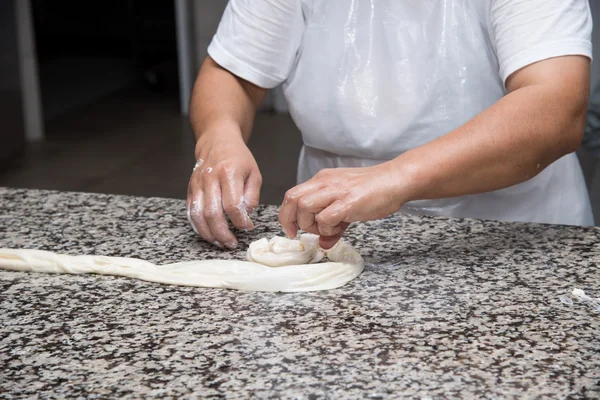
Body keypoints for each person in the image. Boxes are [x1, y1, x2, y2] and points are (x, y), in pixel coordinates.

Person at [186, 0, 594, 250]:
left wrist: (396, 177)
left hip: (509, 240)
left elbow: (554, 108)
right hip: (335, 236)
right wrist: (219, 138)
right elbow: (232, 73)